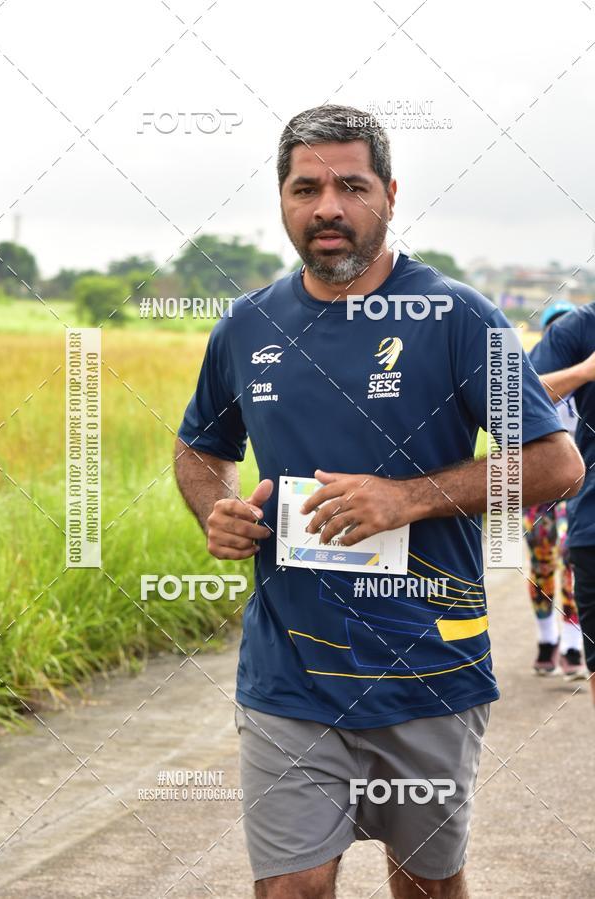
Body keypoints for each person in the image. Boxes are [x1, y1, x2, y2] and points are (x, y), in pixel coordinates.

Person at [174, 105, 584, 899]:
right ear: (283, 201)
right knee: (291, 887)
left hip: (429, 668)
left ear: (390, 196)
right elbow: (200, 447)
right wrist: (215, 508)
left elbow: (556, 463)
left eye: (350, 185)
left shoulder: (459, 317)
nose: (327, 205)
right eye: (305, 187)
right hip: (288, 675)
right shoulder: (247, 324)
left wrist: (407, 497)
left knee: (426, 886)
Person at [530, 301, 595, 705]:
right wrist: (584, 371)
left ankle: (569, 645)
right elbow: (508, 402)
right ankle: (549, 640)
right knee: (543, 560)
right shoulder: (580, 328)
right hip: (558, 490)